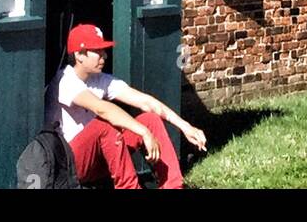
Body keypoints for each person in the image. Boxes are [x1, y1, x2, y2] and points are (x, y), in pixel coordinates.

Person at [44, 24, 207, 189]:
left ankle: (173, 186)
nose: (104, 56)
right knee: (104, 124)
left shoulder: (100, 79)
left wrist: (185, 126)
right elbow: (102, 109)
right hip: (70, 165)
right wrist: (143, 132)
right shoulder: (65, 81)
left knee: (150, 120)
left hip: (101, 158)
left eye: (104, 50)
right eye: (98, 51)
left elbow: (146, 102)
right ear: (79, 55)